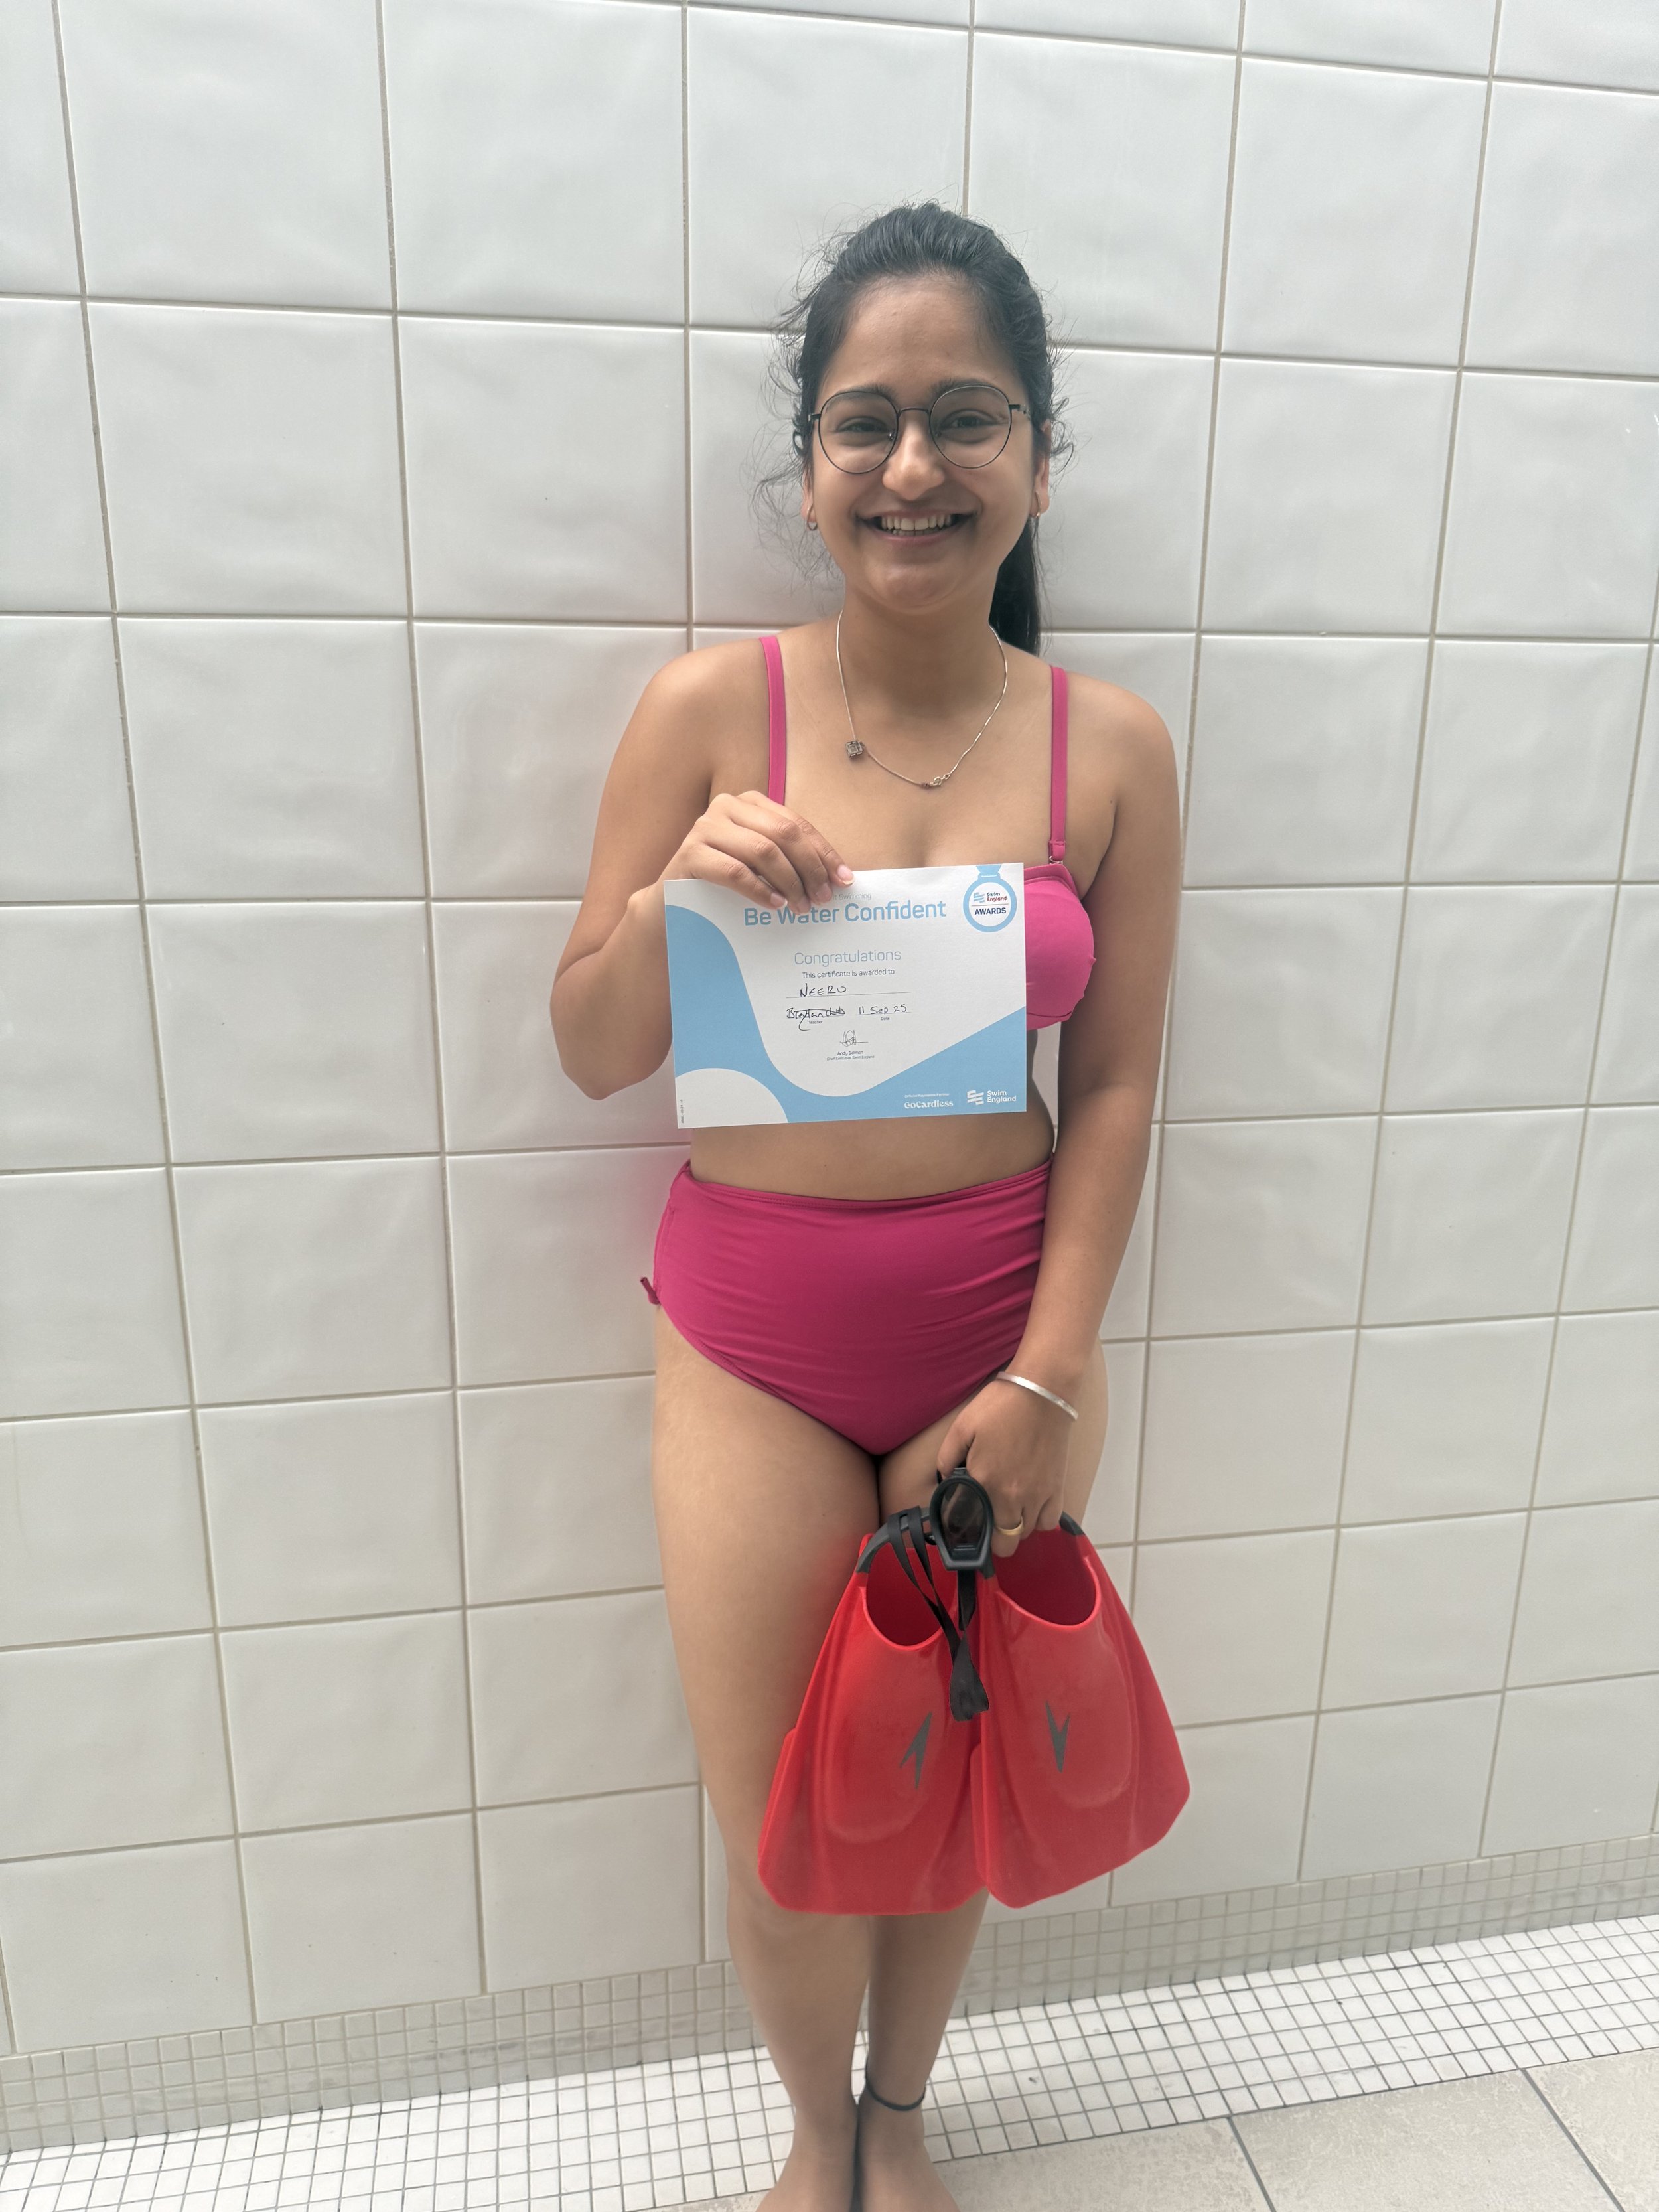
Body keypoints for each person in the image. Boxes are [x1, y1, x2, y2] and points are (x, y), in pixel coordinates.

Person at [551, 202, 1181, 2212]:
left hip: (1000, 1337)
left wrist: (1050, 1373)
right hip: (751, 1342)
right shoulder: (703, 715)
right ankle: (811, 2143)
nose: (913, 465)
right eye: (865, 422)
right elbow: (584, 1044)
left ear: (1035, 459)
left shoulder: (1115, 750)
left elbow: (1122, 1079)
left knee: (959, 1755)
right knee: (786, 1803)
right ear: (811, 462)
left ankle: (903, 2123)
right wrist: (677, 899)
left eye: (963, 418)